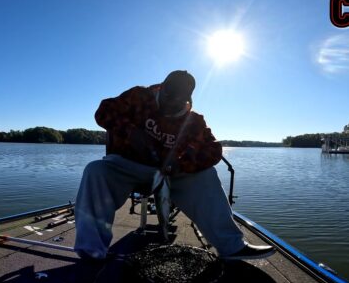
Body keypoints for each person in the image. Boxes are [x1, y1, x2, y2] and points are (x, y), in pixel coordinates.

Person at [74, 70, 275, 261]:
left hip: (170, 173)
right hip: (126, 166)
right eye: (168, 96)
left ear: (187, 99)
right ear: (161, 88)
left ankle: (231, 246)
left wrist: (180, 164)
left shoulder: (194, 121)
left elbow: (213, 150)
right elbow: (104, 111)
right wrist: (132, 132)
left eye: (178, 100)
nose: (171, 103)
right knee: (95, 170)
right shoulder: (139, 96)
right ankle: (92, 250)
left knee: (207, 175)